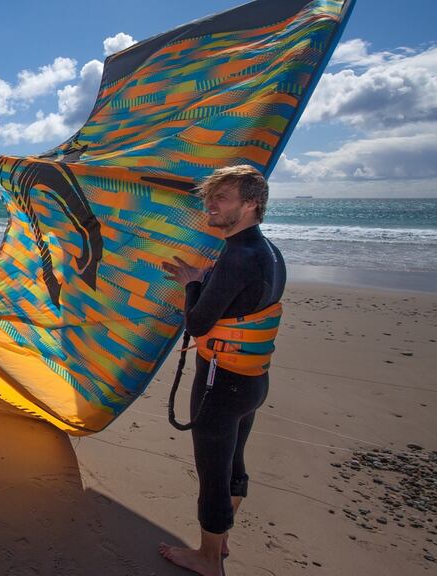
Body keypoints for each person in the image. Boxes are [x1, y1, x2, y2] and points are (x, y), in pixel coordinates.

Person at [158, 165, 286, 576]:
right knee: (233, 463)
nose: (211, 205)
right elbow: (237, 299)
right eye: (210, 197)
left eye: (223, 197)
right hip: (251, 381)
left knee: (213, 474)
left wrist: (192, 286)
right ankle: (222, 540)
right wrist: (202, 278)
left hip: (221, 382)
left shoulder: (237, 256)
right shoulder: (267, 252)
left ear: (250, 204)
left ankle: (208, 558)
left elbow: (196, 324)